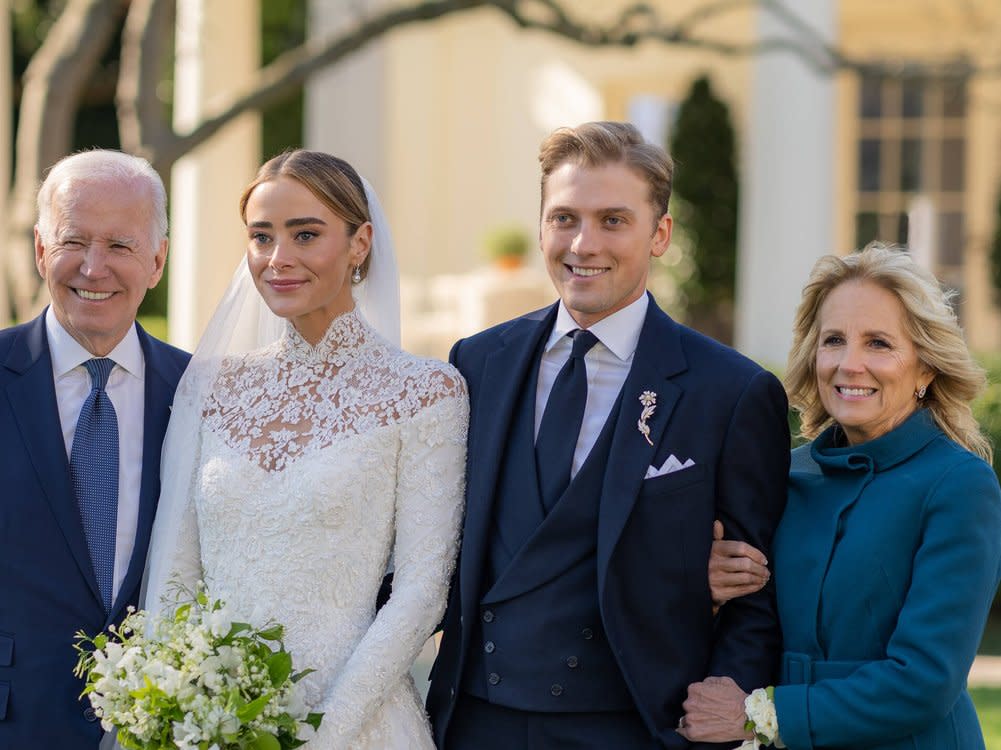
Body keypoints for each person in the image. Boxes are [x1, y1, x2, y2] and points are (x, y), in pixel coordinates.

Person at [425, 121, 790, 749]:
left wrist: (720, 711)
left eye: (613, 220)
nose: (583, 242)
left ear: (661, 235)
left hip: (633, 726)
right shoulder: (476, 363)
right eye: (564, 217)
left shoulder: (730, 391)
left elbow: (758, 600)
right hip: (476, 721)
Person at [141, 150, 467, 749]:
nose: (277, 259)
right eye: (261, 237)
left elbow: (422, 592)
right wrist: (176, 702)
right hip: (214, 726)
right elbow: (178, 574)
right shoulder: (213, 387)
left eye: (306, 234)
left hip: (355, 722)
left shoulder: (425, 393)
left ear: (359, 243)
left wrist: (320, 733)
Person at [680, 244, 1001, 750]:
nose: (850, 364)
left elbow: (924, 680)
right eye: (834, 340)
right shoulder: (788, 473)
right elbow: (757, 624)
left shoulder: (960, 485)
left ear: (926, 369)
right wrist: (715, 590)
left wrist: (758, 715)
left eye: (878, 343)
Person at [0, 150, 189, 748]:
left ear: (157, 260)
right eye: (73, 241)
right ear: (39, 251)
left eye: (121, 246)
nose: (93, 266)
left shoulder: (205, 394)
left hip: (162, 727)